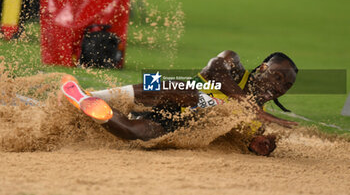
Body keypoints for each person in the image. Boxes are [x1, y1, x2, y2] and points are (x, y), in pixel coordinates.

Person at [61, 50, 298, 156]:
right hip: (167, 89)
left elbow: (246, 141)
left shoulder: (258, 120)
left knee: (141, 133)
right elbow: (214, 69)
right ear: (263, 68)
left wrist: (260, 145)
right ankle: (100, 95)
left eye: (286, 86)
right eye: (277, 77)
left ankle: (86, 102)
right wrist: (246, 103)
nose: (279, 87)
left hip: (176, 121)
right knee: (192, 92)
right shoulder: (235, 66)